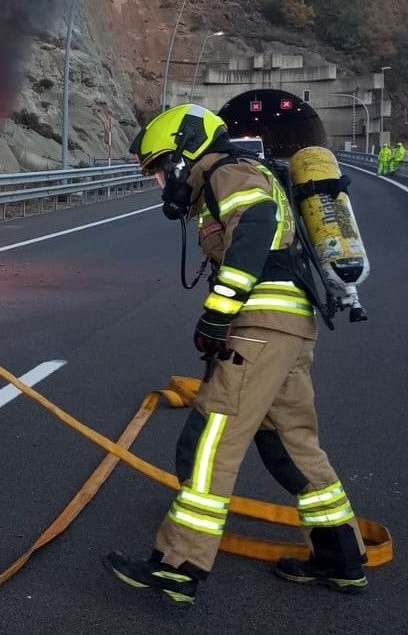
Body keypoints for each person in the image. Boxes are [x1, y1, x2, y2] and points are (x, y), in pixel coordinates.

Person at [103, 104, 367, 604]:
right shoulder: (236, 175)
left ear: (187, 151)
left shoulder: (230, 171)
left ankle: (179, 565)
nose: (163, 183)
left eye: (163, 169)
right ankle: (340, 559)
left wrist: (220, 312)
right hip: (288, 329)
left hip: (260, 328)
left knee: (210, 443)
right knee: (292, 446)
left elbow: (259, 225)